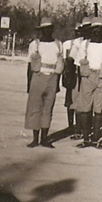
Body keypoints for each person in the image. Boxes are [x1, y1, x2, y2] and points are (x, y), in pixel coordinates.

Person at [25, 17, 64, 148]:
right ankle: (35, 139)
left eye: (49, 28)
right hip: (38, 77)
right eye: (44, 29)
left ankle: (44, 139)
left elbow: (59, 67)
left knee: (48, 109)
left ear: (52, 29)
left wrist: (57, 83)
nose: (47, 31)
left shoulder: (58, 44)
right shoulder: (34, 44)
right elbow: (29, 66)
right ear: (41, 30)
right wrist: (29, 84)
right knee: (35, 108)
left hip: (52, 78)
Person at [75, 17, 102, 150]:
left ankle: (95, 139)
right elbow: (79, 64)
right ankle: (85, 138)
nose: (97, 32)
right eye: (95, 29)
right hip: (88, 76)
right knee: (85, 109)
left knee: (98, 109)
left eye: (100, 29)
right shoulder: (85, 44)